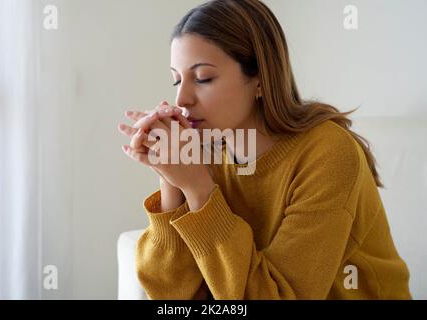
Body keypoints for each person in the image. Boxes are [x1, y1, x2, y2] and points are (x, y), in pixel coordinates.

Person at [118, 0, 411, 299]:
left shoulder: (328, 153)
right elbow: (172, 295)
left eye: (203, 77)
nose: (182, 98)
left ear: (259, 78)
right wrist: (171, 180)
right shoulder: (202, 150)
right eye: (176, 80)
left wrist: (198, 189)